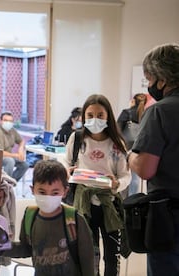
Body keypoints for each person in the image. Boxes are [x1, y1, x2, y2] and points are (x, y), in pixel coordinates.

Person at [64, 94, 131, 276]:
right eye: (90, 115)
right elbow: (65, 162)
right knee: (88, 255)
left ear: (108, 116)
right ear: (84, 117)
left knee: (111, 256)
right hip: (83, 206)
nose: (95, 119)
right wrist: (67, 171)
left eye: (100, 115)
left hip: (110, 206)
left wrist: (117, 183)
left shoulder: (117, 143)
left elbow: (126, 175)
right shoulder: (77, 139)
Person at [127, 43, 179, 276]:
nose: (149, 86)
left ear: (162, 79)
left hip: (170, 219)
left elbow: (146, 168)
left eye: (149, 79)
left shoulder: (160, 111)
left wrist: (130, 156)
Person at [0, 159, 95, 275]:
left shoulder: (74, 219)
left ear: (65, 192)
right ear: (32, 190)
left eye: (55, 193)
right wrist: (2, 244)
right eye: (42, 192)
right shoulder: (30, 216)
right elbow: (27, 249)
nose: (48, 197)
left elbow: (87, 259)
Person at [116, 93, 147, 196]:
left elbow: (117, 131)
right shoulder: (146, 114)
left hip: (124, 149)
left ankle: (122, 204)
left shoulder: (126, 112)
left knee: (122, 176)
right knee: (134, 180)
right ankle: (132, 205)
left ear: (133, 101)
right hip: (138, 151)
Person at [0, 111, 29, 182]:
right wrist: (16, 155)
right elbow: (0, 152)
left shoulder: (12, 130)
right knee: (10, 161)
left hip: (9, 156)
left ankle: (12, 182)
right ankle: (5, 184)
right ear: (1, 121)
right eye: (5, 120)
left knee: (25, 165)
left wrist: (20, 149)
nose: (8, 123)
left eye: (10, 121)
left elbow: (21, 141)